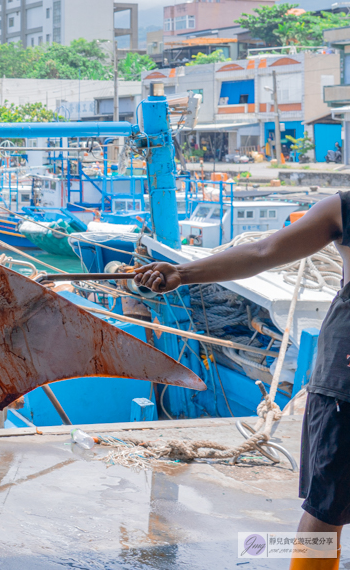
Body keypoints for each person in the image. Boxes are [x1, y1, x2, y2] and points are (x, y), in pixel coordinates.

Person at [134, 192, 349, 570]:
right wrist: (182, 274)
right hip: (345, 384)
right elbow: (264, 251)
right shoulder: (342, 208)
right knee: (328, 506)